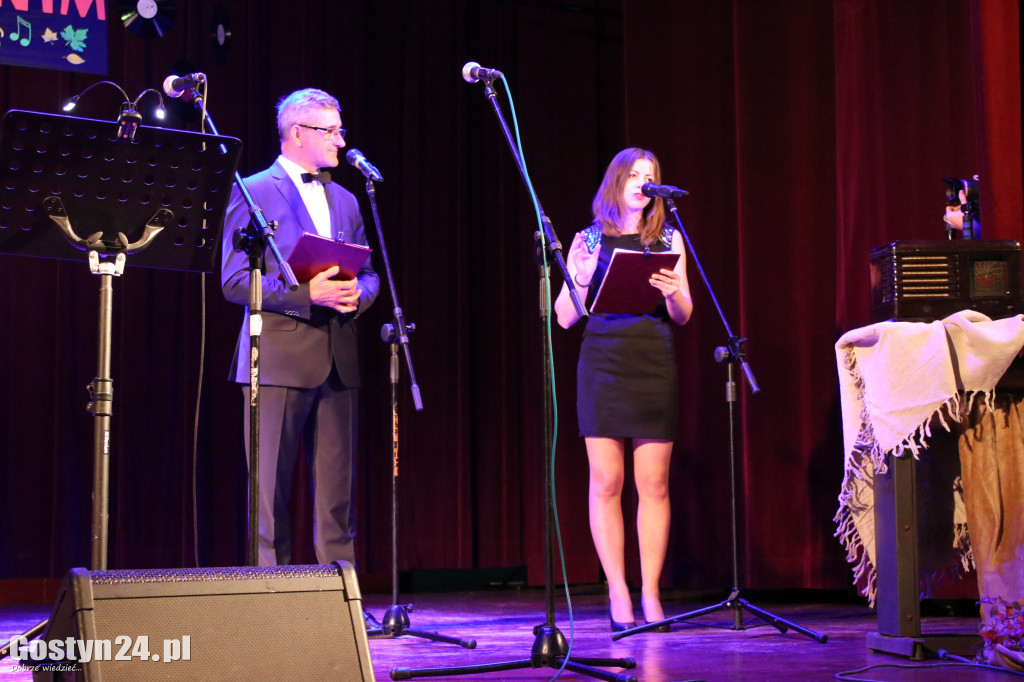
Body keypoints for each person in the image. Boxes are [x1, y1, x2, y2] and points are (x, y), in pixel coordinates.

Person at [220, 88, 380, 571]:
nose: (339, 140)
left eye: (339, 130)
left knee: (336, 499)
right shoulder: (252, 189)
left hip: (338, 360)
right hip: (277, 360)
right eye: (329, 131)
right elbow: (233, 281)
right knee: (269, 497)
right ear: (296, 134)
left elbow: (370, 272)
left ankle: (341, 603)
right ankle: (272, 606)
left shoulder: (347, 199)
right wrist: (306, 295)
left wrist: (359, 296)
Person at [554, 147, 693, 633]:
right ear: (616, 181)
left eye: (650, 176)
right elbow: (564, 317)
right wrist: (584, 278)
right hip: (603, 360)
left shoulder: (669, 236)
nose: (642, 182)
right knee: (607, 483)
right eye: (634, 175)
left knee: (653, 485)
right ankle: (618, 590)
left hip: (653, 359)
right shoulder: (588, 237)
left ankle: (651, 593)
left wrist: (673, 290)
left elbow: (684, 315)